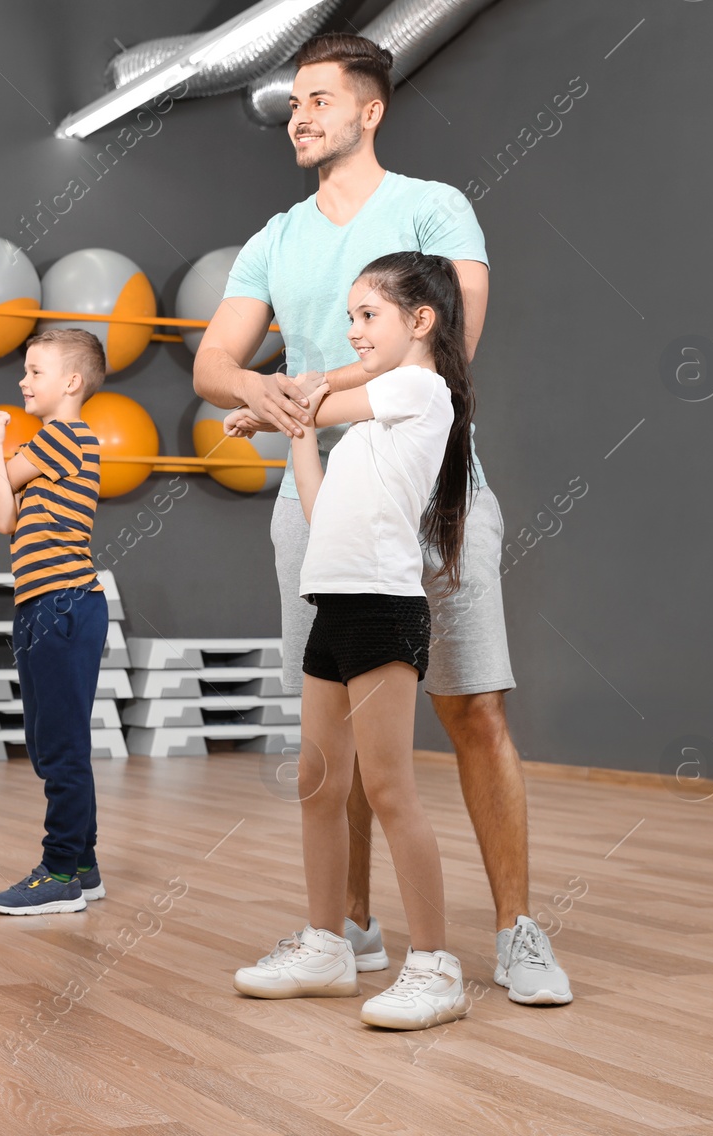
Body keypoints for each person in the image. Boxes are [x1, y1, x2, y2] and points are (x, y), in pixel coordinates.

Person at [192, 32, 570, 1005]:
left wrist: (309, 390)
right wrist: (263, 393)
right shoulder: (275, 236)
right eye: (292, 103)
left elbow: (447, 352)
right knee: (332, 736)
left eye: (318, 99)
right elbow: (213, 364)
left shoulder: (432, 207)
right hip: (320, 514)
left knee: (474, 707)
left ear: (370, 110)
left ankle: (517, 930)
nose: (299, 115)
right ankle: (347, 927)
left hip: (434, 496)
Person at [231, 253, 471, 1029]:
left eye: (369, 315)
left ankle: (435, 966)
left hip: (381, 611)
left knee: (391, 788)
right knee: (316, 780)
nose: (355, 331)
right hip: (335, 608)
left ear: (421, 321)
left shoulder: (418, 387)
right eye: (351, 318)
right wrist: (290, 427)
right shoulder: (374, 424)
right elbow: (318, 502)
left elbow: (324, 392)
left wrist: (278, 400)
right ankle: (329, 946)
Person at [0, 328, 107, 915]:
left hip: (61, 603)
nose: (23, 382)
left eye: (35, 371)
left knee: (59, 745)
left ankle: (58, 872)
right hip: (41, 603)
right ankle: (83, 865)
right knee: (54, 741)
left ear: (71, 382)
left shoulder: (63, 437)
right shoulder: (51, 446)